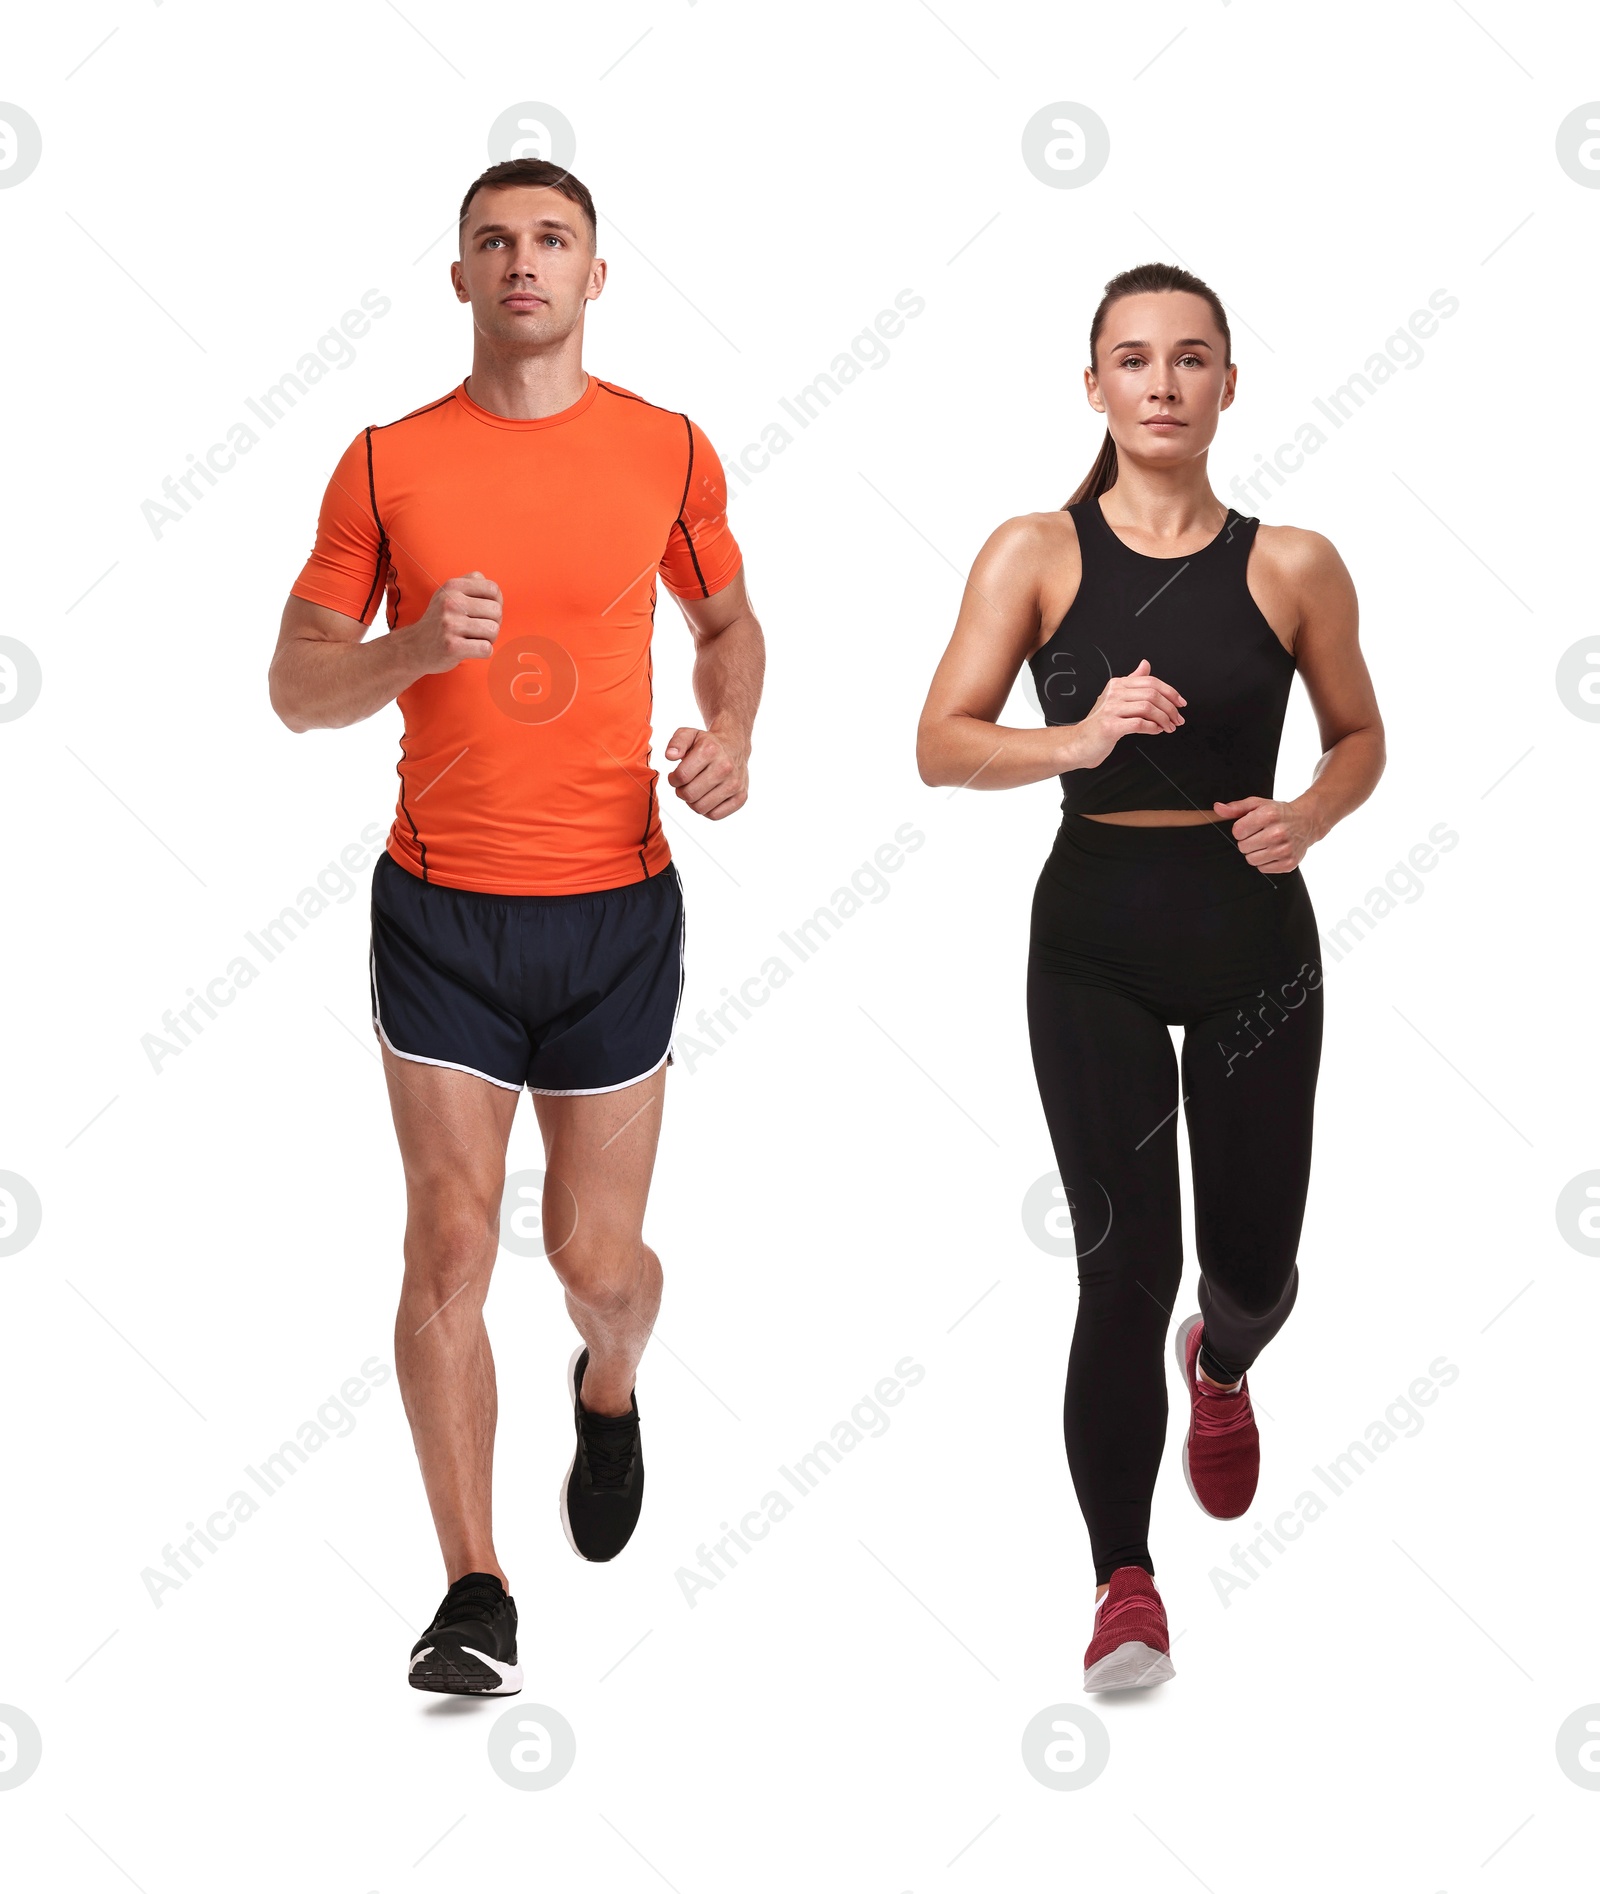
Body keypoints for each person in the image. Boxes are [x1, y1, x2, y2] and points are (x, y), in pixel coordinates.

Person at [268, 158, 764, 1694]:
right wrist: (411, 644)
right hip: (443, 918)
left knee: (594, 1258)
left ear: (597, 276)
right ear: (461, 278)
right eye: (495, 241)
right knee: (449, 1247)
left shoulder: (669, 451)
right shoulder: (383, 466)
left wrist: (728, 732)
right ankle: (473, 1586)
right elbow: (296, 684)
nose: (524, 261)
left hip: (613, 912)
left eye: (553, 240)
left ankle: (608, 1386)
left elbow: (730, 626)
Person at [916, 262, 1383, 1691]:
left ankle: (1225, 1363)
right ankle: (1125, 1580)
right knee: (1126, 1260)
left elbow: (1362, 734)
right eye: (1135, 358)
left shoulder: (1294, 560)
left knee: (1246, 1268)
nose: (1164, 382)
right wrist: (1082, 733)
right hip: (1098, 932)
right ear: (1096, 385)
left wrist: (1310, 811)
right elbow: (942, 741)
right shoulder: (1033, 552)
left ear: (1229, 385)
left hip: (1254, 934)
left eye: (1191, 359)